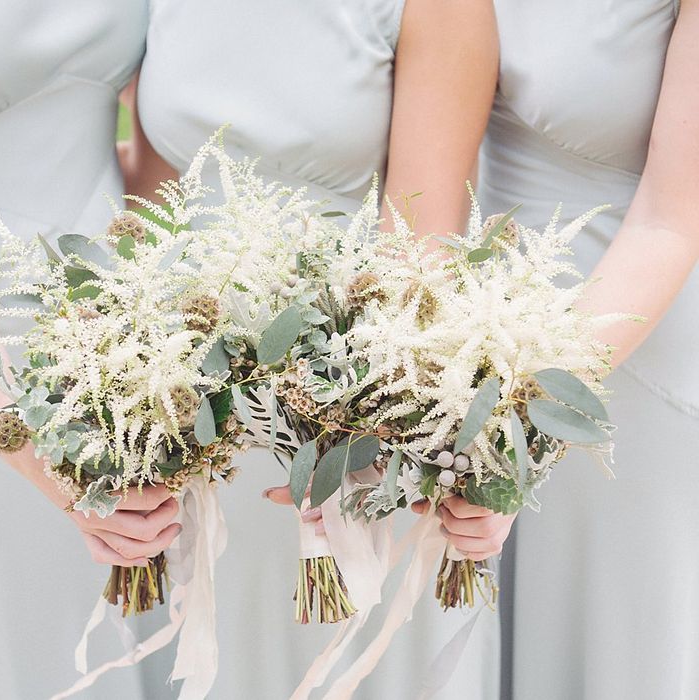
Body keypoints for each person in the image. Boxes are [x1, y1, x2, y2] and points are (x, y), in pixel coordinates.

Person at [126, 1, 515, 697]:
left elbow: (422, 250)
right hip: (188, 409)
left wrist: (341, 433)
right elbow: (152, 211)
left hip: (342, 409)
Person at [0, 3, 182, 697]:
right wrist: (25, 438)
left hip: (104, 362)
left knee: (98, 648)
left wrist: (151, 340)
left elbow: (170, 122)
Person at [478, 1, 699, 698]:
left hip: (621, 355)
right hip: (473, 346)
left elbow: (672, 219)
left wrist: (523, 420)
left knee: (605, 651)